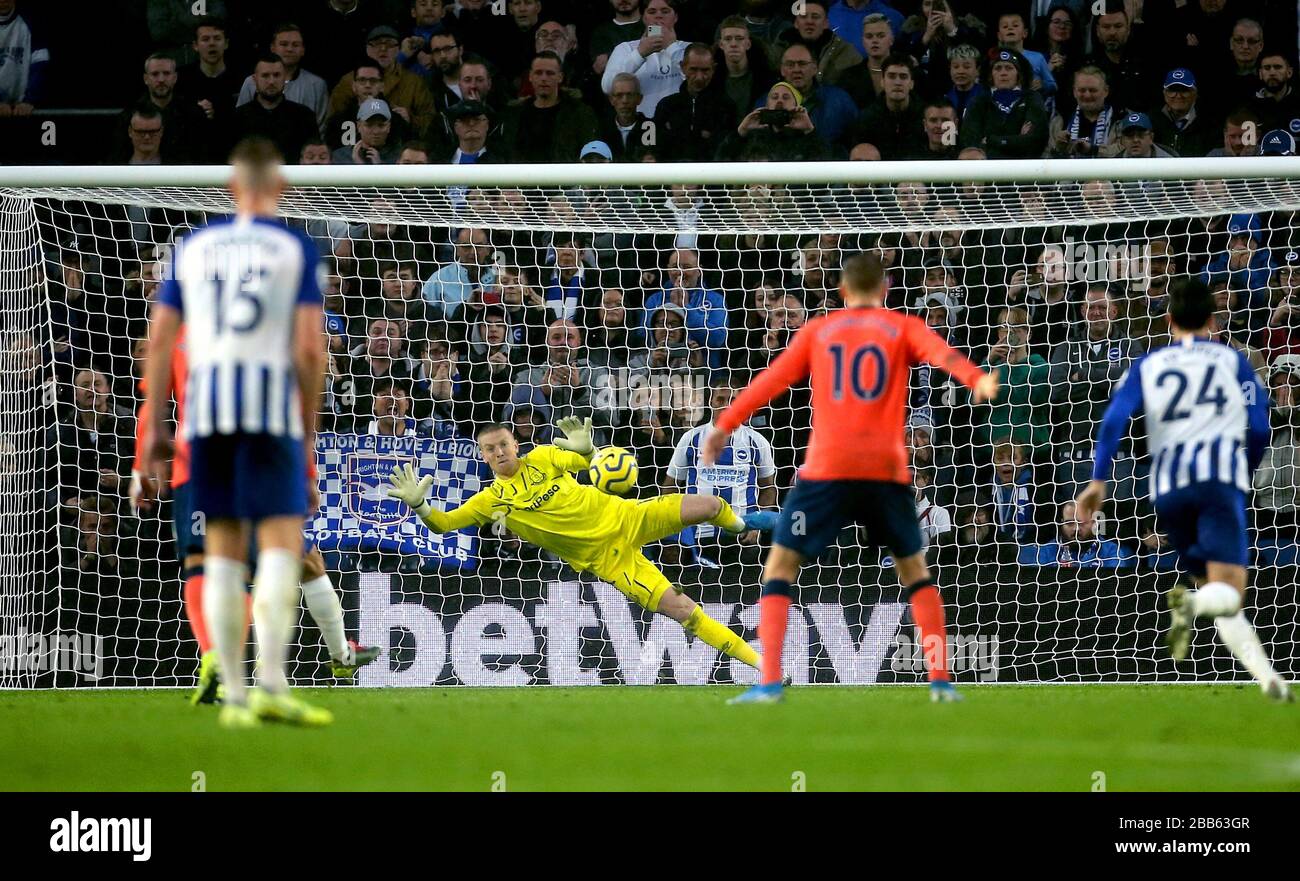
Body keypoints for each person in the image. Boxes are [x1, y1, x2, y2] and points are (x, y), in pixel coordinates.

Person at [703, 252, 999, 704]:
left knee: (781, 566)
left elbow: (769, 381)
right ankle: (940, 682)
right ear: (886, 288)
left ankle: (769, 683)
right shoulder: (904, 326)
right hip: (885, 470)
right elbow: (946, 356)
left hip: (827, 470)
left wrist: (724, 426)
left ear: (842, 291)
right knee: (915, 572)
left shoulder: (818, 330)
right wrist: (977, 379)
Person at [140, 138, 332, 728]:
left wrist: (151, 430)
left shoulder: (194, 248)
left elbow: (160, 335)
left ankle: (236, 699)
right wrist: (307, 432)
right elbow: (308, 347)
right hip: (269, 407)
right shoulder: (294, 246)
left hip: (208, 416)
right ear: (280, 189)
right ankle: (272, 682)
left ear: (230, 189)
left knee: (218, 551)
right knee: (278, 544)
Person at [384, 418, 777, 673]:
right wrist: (419, 504)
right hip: (610, 560)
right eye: (490, 448)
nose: (499, 452)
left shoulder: (544, 457)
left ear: (515, 444)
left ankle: (741, 524)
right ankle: (762, 664)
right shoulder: (491, 501)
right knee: (684, 610)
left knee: (709, 505)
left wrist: (588, 450)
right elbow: (444, 524)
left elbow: (591, 466)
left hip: (628, 515)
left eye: (503, 443)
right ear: (483, 455)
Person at [130, 319, 377, 706]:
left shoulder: (184, 330)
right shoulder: (258, 325)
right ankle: (269, 673)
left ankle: (234, 660)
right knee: (271, 563)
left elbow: (154, 403)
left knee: (218, 564)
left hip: (201, 466)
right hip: (253, 463)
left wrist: (139, 466)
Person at [1076, 277, 1291, 702]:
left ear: (1169, 319)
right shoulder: (1233, 361)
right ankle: (1189, 606)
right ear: (1212, 319)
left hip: (1169, 489)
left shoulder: (1149, 363)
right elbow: (1263, 426)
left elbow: (1114, 420)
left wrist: (1098, 480)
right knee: (1227, 590)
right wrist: (1242, 468)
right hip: (1217, 484)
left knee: (1213, 586)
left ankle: (1268, 678)